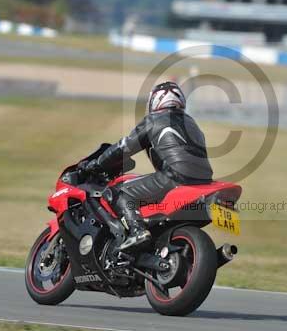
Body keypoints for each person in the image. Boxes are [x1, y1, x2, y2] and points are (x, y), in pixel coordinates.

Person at [80, 81, 213, 250]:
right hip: (204, 180)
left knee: (119, 191)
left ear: (155, 101)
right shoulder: (192, 123)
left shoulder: (154, 119)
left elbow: (124, 147)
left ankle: (137, 231)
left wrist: (96, 164)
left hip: (175, 176)